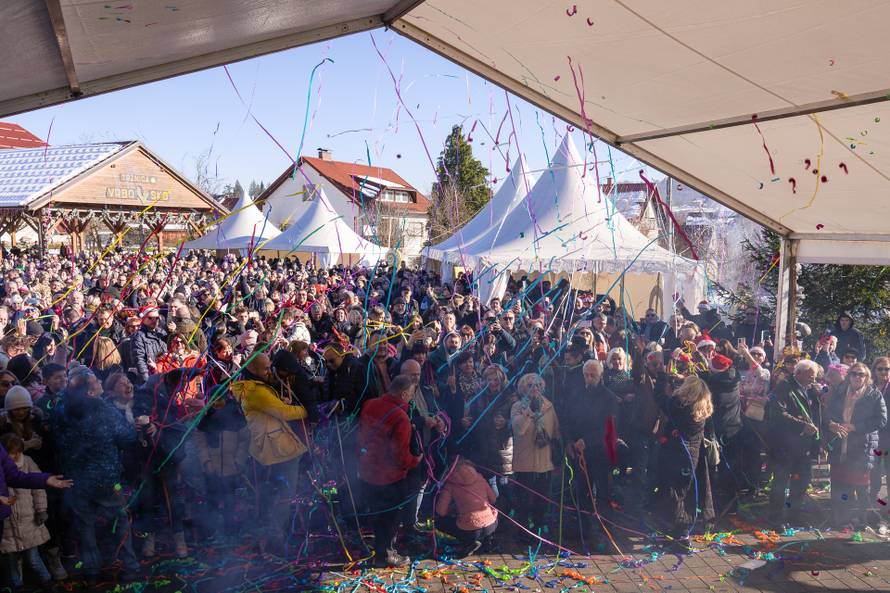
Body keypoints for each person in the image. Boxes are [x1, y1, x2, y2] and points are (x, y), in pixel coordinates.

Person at [230, 353, 307, 553]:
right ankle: (276, 542)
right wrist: (306, 410)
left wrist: (280, 401)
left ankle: (268, 538)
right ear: (253, 369)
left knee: (270, 494)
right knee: (284, 494)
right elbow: (283, 413)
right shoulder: (255, 391)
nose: (269, 371)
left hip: (269, 448)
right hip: (279, 450)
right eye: (265, 368)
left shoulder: (251, 387)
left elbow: (273, 408)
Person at [356, 374, 422, 567]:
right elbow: (400, 457)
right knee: (390, 517)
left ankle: (380, 547)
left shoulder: (370, 404)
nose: (411, 398)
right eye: (410, 394)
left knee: (377, 514)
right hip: (389, 478)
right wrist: (416, 460)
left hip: (367, 472)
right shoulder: (401, 418)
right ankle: (386, 555)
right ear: (403, 394)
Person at [825, 362, 887, 528]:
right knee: (839, 485)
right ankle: (840, 520)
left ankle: (862, 521)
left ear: (867, 377)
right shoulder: (839, 392)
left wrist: (855, 427)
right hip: (840, 444)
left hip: (862, 447)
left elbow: (881, 420)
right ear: (848, 376)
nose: (858, 377)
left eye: (862, 374)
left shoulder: (874, 395)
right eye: (854, 373)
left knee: (860, 487)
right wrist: (831, 424)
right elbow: (827, 413)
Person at [564, 360, 619, 545]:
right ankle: (584, 528)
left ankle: (606, 530)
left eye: (592, 375)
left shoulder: (609, 397)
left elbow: (609, 427)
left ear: (600, 375)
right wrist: (570, 440)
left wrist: (586, 441)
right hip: (579, 454)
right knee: (581, 491)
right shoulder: (576, 394)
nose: (589, 378)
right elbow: (568, 418)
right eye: (586, 375)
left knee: (603, 493)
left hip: (600, 453)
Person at [654, 376, 715, 540]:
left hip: (675, 454)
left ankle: (676, 528)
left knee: (674, 492)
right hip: (693, 456)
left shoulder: (677, 406)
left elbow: (659, 397)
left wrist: (661, 375)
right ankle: (685, 530)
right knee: (687, 491)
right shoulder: (701, 411)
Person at [766, 359, 822, 526]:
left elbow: (816, 414)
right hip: (785, 445)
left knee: (801, 482)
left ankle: (794, 516)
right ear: (798, 374)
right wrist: (801, 426)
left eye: (815, 376)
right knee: (780, 483)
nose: (814, 380)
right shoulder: (784, 387)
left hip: (804, 446)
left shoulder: (811, 389)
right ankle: (775, 518)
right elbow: (777, 413)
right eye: (811, 376)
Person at [0, 433, 53, 589]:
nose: (15, 456)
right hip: (8, 526)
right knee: (11, 562)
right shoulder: (2, 469)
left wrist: (41, 509)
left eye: (18, 452)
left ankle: (48, 582)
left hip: (28, 522)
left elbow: (38, 490)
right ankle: (17, 586)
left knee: (33, 559)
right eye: (11, 452)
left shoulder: (28, 462)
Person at [510, 373, 559, 534]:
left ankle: (539, 527)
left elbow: (555, 431)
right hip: (524, 463)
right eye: (531, 385)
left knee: (542, 501)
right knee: (524, 501)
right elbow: (519, 430)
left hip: (545, 462)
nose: (535, 388)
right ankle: (523, 531)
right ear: (524, 388)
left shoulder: (549, 405)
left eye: (538, 385)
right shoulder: (517, 407)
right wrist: (530, 411)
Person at [434, 457, 498, 556]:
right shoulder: (480, 477)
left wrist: (453, 510)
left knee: (439, 522)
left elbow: (440, 511)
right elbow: (493, 499)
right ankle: (487, 540)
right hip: (490, 525)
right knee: (493, 514)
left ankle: (468, 542)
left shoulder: (450, 484)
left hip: (470, 530)